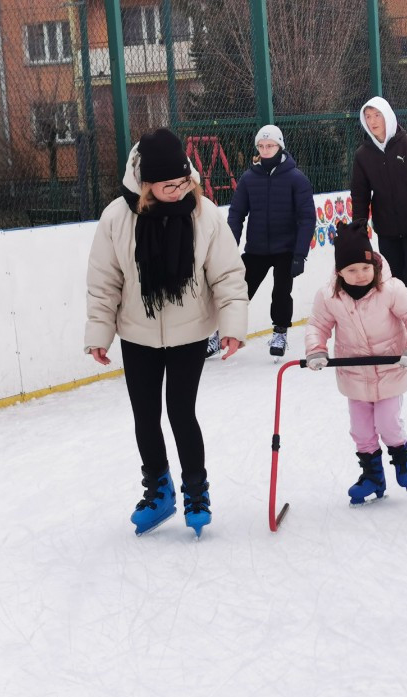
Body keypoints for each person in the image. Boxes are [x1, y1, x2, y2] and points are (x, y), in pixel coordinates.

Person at [85, 128, 249, 539]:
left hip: (190, 333)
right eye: (167, 186)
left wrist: (231, 328)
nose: (177, 192)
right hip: (136, 334)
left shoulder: (204, 214)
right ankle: (158, 491)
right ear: (146, 185)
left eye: (182, 183)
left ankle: (196, 490)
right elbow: (104, 283)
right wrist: (99, 333)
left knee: (180, 411)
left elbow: (228, 276)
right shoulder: (116, 219)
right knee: (145, 415)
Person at [304, 222, 407, 506]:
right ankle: (373, 475)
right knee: (361, 430)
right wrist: (316, 349)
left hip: (390, 371)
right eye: (351, 270)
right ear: (339, 272)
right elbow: (318, 325)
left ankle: (400, 453)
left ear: (374, 263)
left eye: (365, 268)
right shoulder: (329, 296)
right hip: (354, 375)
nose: (360, 275)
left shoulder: (391, 290)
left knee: (388, 422)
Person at [227, 124, 317, 356]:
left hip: (285, 248)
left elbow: (307, 218)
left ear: (280, 146)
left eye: (271, 145)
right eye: (262, 146)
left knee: (281, 292)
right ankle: (223, 334)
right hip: (256, 248)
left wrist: (299, 254)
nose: (266, 149)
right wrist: (228, 248)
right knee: (239, 291)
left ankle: (279, 332)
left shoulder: (296, 178)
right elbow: (236, 214)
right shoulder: (248, 178)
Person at [350, 96, 407, 307]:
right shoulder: (363, 155)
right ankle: (397, 330)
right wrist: (359, 228)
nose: (373, 121)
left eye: (377, 115)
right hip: (387, 231)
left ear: (387, 115)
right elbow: (360, 195)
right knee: (392, 281)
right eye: (368, 116)